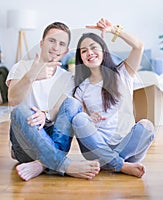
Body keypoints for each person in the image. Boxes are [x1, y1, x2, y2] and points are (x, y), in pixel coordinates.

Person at [6, 22, 100, 181]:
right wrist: (33, 75)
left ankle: (42, 164)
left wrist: (45, 115)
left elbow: (59, 109)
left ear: (65, 51)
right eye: (52, 41)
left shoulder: (66, 78)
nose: (56, 47)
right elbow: (13, 99)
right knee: (19, 111)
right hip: (25, 142)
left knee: (73, 104)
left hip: (53, 138)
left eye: (61, 44)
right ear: (42, 43)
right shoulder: (21, 67)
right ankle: (66, 165)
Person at [72, 18, 155, 178]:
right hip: (96, 146)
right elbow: (77, 117)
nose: (89, 53)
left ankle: (110, 162)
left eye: (93, 47)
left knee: (147, 126)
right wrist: (90, 117)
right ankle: (121, 165)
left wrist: (113, 30)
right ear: (81, 58)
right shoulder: (82, 87)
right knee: (79, 120)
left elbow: (139, 46)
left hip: (126, 144)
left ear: (103, 50)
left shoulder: (122, 74)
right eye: (83, 51)